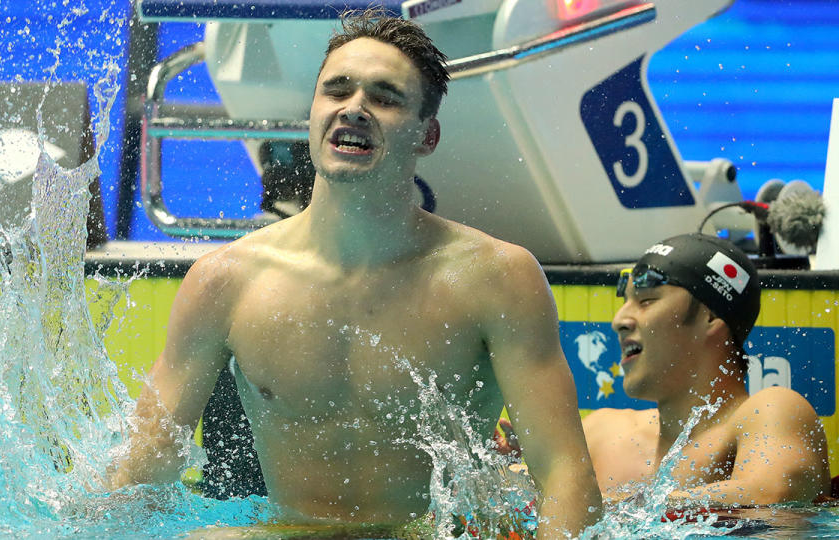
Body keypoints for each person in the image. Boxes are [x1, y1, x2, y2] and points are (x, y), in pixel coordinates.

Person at [107, 8, 601, 538]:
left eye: (385, 98)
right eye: (336, 91)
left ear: (427, 136)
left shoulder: (496, 279)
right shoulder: (226, 281)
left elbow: (564, 473)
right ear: (312, 112)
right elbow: (144, 473)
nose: (355, 109)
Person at [582, 233, 830, 505]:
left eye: (647, 300)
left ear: (709, 315)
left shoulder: (770, 412)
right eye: (625, 302)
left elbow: (770, 498)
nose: (619, 320)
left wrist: (607, 509)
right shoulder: (601, 432)